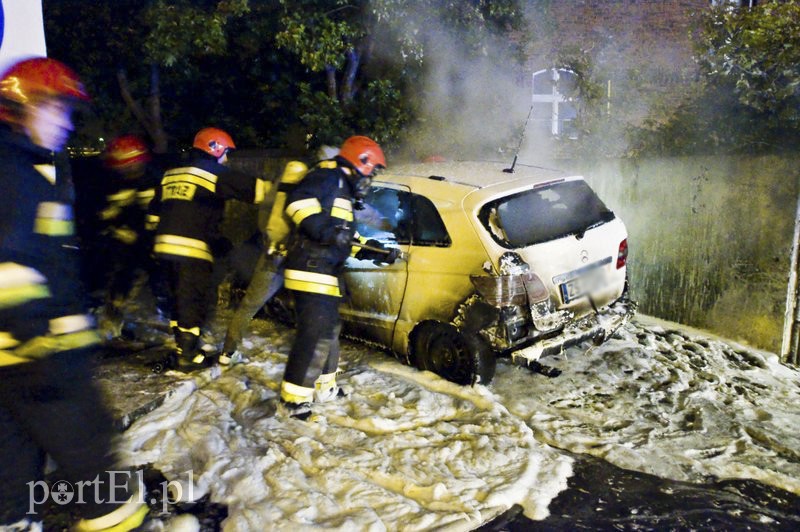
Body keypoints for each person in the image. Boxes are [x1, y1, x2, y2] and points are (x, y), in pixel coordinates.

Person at [0, 58, 147, 530]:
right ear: (21, 107)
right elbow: (10, 270)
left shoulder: (21, 166)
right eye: (56, 110)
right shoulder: (14, 176)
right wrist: (44, 344)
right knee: (91, 454)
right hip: (38, 353)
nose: (65, 124)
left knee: (15, 459)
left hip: (14, 356)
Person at [278, 135, 400, 419]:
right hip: (311, 267)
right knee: (314, 334)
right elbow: (297, 202)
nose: (370, 179)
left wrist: (376, 251)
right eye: (371, 171)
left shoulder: (342, 191)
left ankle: (325, 388)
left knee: (329, 331)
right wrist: (327, 231)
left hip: (326, 269)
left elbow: (344, 237)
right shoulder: (327, 177)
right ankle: (292, 401)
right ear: (361, 163)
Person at [150, 127, 266, 370]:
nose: (226, 159)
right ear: (215, 149)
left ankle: (183, 347)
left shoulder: (171, 173)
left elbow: (153, 214)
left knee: (178, 299)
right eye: (226, 153)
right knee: (192, 300)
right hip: (191, 249)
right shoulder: (212, 172)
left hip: (162, 247)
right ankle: (187, 356)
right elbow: (257, 191)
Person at [90, 135, 165, 337]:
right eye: (125, 167)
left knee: (161, 279)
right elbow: (101, 215)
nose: (131, 170)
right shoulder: (109, 184)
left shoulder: (153, 180)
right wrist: (115, 229)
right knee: (120, 278)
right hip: (123, 243)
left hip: (151, 241)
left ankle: (167, 316)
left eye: (134, 165)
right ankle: (111, 321)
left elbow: (159, 210)